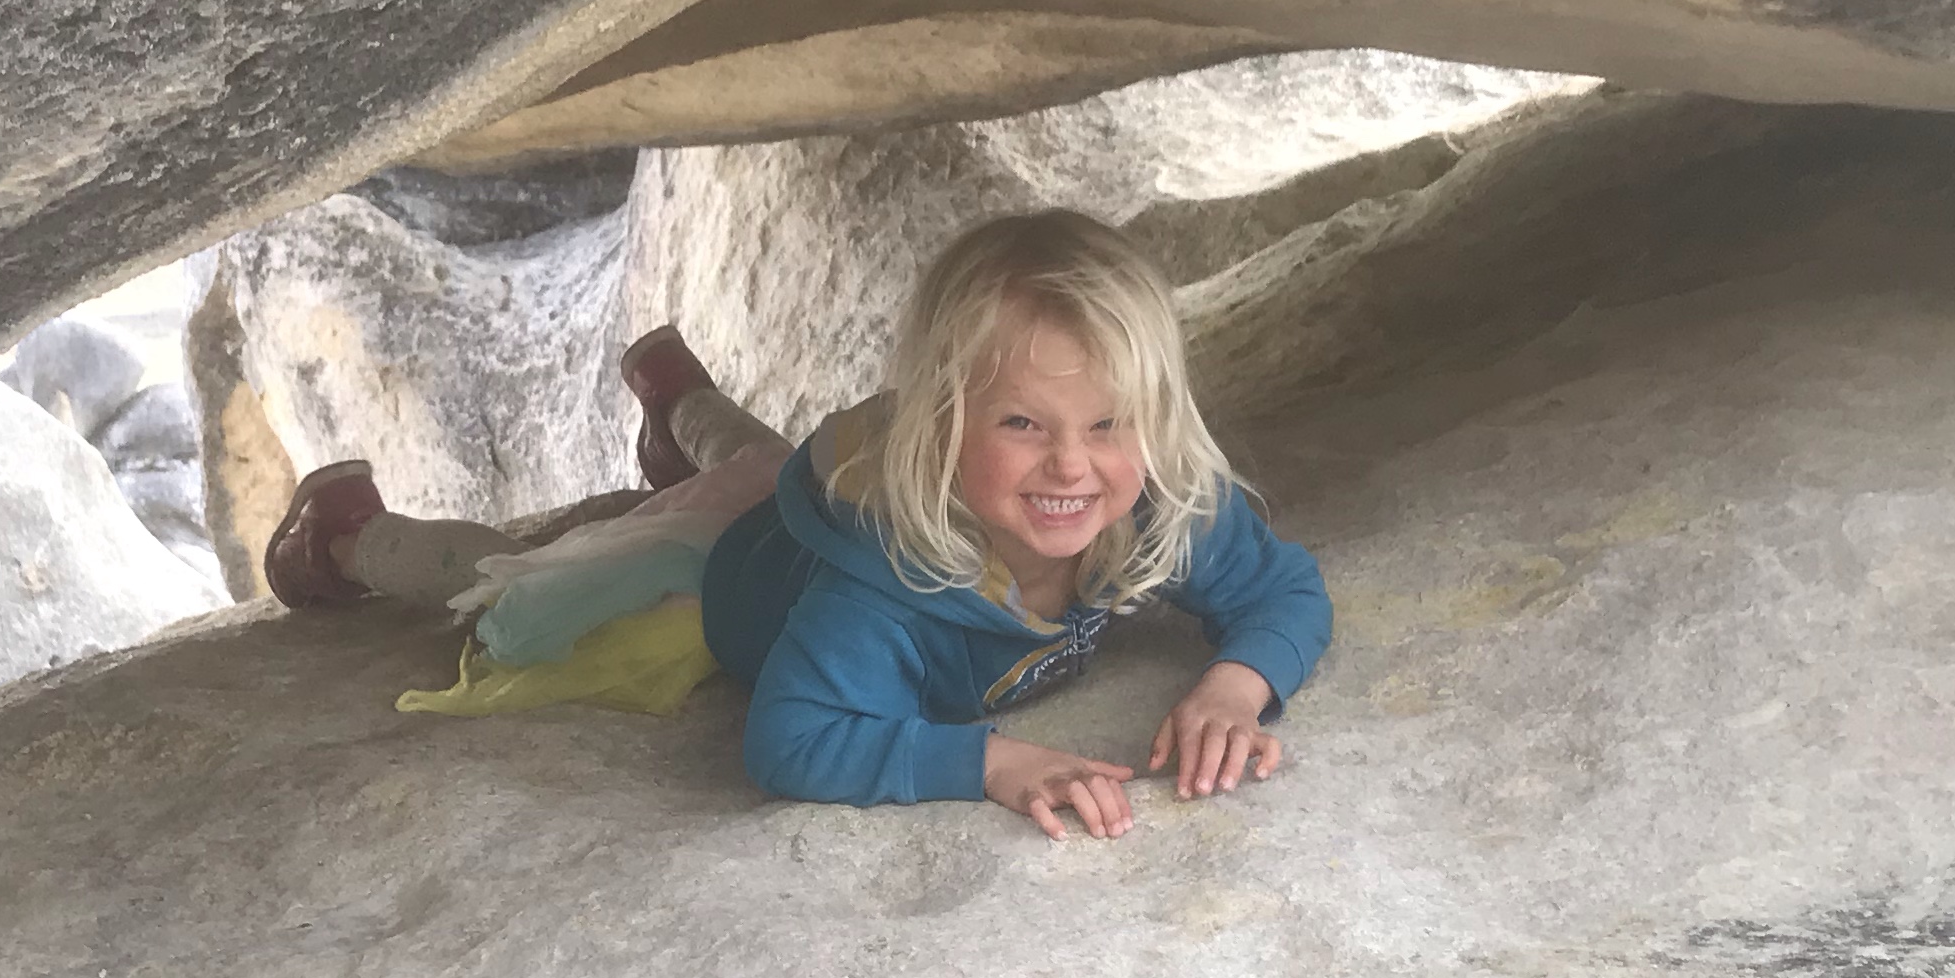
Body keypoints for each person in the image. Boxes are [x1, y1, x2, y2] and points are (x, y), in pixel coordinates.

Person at [259, 211, 1332, 839]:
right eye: (1021, 423)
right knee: (531, 584)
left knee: (755, 465)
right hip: (716, 585)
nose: (1073, 465)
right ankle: (349, 535)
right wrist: (990, 763)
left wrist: (1234, 688)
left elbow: (1284, 587)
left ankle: (677, 404)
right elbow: (794, 739)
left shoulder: (1146, 505)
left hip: (801, 498)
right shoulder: (882, 592)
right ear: (936, 427)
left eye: (1110, 424)